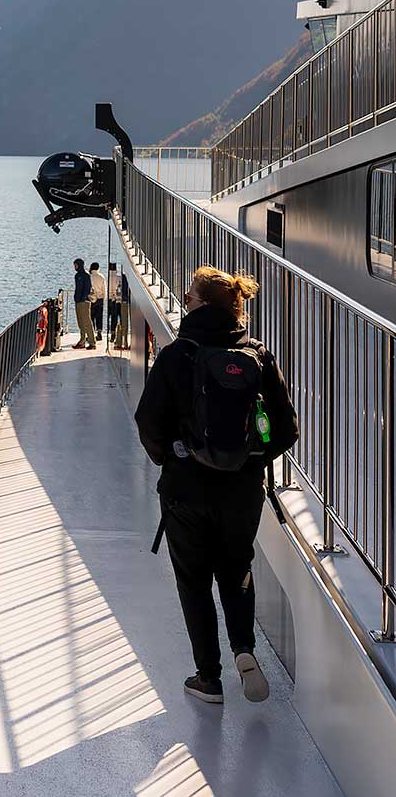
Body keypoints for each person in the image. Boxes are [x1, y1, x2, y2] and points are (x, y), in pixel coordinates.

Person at [134, 266, 298, 705]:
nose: (185, 302)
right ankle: (244, 649)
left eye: (188, 297)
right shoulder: (258, 356)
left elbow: (148, 422)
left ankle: (209, 678)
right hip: (242, 490)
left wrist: (172, 458)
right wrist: (247, 461)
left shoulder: (176, 354)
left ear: (203, 303)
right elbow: (286, 429)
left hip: (186, 488)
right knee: (236, 569)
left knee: (194, 581)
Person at [72, 259, 96, 349]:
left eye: (76, 265)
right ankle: (82, 341)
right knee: (80, 322)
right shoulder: (77, 275)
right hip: (78, 301)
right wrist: (76, 298)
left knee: (87, 322)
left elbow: (87, 288)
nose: (75, 267)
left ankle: (92, 342)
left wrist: (82, 298)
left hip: (84, 301)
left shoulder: (86, 275)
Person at [89, 262, 105, 340]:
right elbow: (104, 289)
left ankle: (91, 333)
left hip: (91, 299)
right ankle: (99, 333)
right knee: (99, 317)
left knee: (91, 317)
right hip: (100, 299)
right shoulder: (101, 276)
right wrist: (103, 298)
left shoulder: (89, 276)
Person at [107, 262, 121, 341]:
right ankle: (118, 334)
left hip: (110, 299)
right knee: (117, 318)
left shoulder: (108, 277)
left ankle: (112, 333)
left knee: (111, 317)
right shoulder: (119, 277)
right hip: (118, 300)